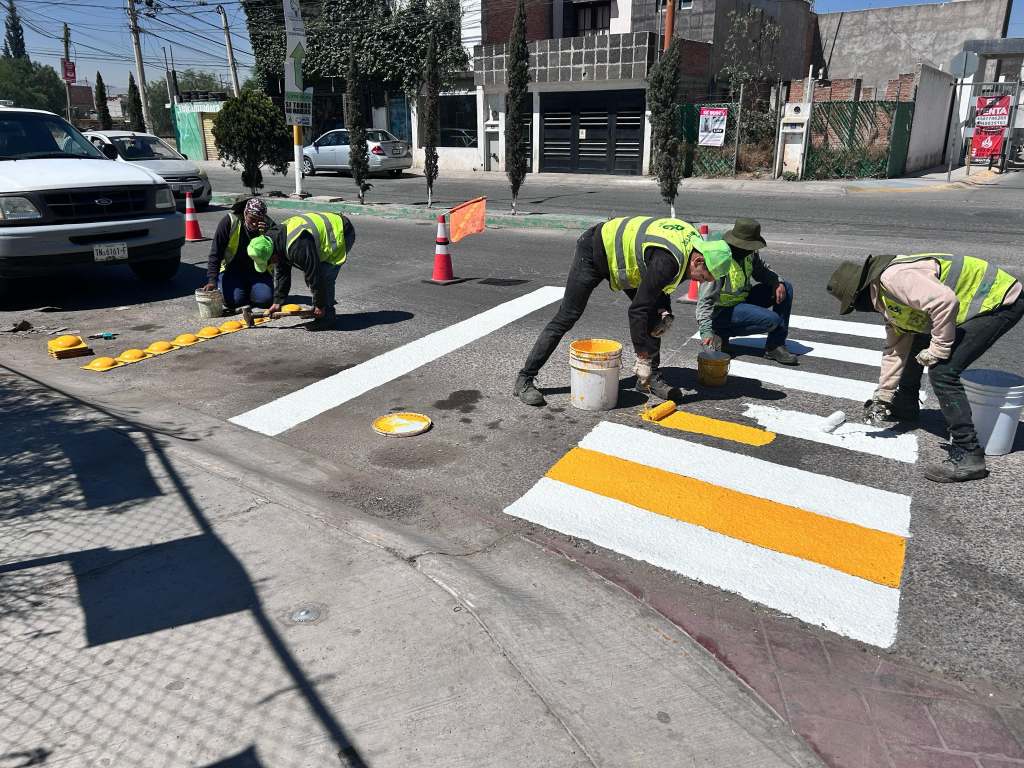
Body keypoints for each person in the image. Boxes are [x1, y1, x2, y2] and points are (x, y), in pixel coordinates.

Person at [827, 252, 1022, 483]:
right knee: (914, 340)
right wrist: (883, 395)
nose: (859, 310)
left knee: (943, 371)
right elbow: (895, 350)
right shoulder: (887, 301)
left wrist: (939, 348)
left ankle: (969, 452)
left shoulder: (894, 279)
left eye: (853, 305)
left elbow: (944, 302)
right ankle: (905, 404)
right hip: (978, 300)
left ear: (860, 294)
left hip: (999, 300)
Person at [514, 216, 733, 407]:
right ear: (698, 260)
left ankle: (648, 380)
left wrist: (664, 312)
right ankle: (525, 379)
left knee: (656, 316)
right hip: (595, 250)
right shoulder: (669, 261)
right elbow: (637, 310)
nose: (698, 281)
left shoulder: (691, 247)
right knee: (568, 316)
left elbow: (659, 288)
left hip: (629, 262)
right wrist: (643, 357)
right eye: (702, 277)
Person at [696, 218, 797, 365]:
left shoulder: (749, 254)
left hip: (741, 302)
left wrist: (777, 281)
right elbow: (704, 301)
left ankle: (775, 346)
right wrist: (706, 331)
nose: (752, 250)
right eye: (749, 246)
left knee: (786, 288)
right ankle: (720, 333)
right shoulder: (720, 259)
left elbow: (762, 271)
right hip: (721, 312)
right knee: (773, 320)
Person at [248, 212, 355, 329]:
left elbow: (315, 274)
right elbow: (282, 272)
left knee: (323, 276)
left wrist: (320, 305)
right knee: (311, 273)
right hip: (322, 231)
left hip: (340, 231)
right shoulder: (273, 239)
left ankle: (327, 316)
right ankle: (318, 309)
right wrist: (278, 301)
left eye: (269, 261)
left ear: (272, 254)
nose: (271, 264)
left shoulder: (297, 247)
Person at [202, 197, 277, 313]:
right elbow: (215, 253)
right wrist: (212, 280)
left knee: (265, 300)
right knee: (234, 301)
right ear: (245, 213)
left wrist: (269, 234)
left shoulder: (268, 225)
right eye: (252, 219)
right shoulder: (229, 222)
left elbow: (278, 253)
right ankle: (242, 290)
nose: (255, 223)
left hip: (258, 272)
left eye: (259, 220)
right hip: (232, 271)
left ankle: (250, 289)